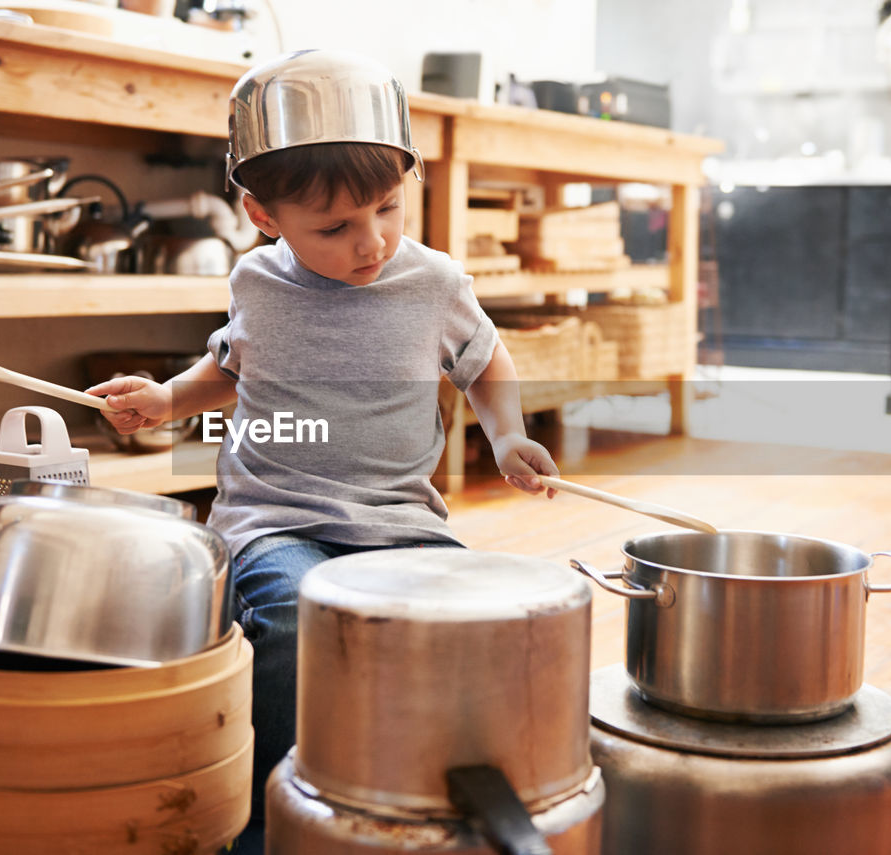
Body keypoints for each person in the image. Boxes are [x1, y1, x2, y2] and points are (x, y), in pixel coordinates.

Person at [85, 49, 559, 854]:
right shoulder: (256, 285)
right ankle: (270, 817)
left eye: (387, 207)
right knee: (298, 620)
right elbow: (229, 368)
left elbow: (486, 363)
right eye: (334, 227)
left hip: (401, 517)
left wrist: (506, 431)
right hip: (278, 516)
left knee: (453, 627)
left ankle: (413, 782)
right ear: (264, 216)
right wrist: (167, 400)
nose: (370, 241)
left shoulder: (435, 283)